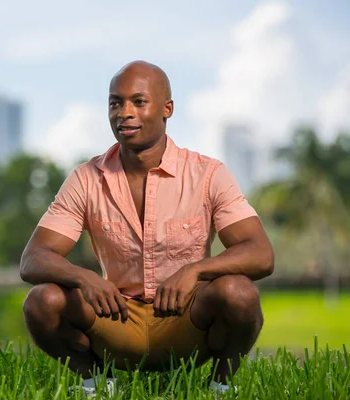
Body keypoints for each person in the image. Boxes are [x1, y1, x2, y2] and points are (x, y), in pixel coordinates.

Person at [19, 60, 274, 396]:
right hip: (117, 320)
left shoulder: (208, 173)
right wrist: (84, 277)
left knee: (239, 293)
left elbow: (260, 253)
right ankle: (95, 381)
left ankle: (220, 386)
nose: (124, 112)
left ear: (167, 108)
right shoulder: (86, 178)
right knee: (42, 301)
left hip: (187, 322)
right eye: (115, 102)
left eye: (139, 102)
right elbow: (33, 258)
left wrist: (197, 271)